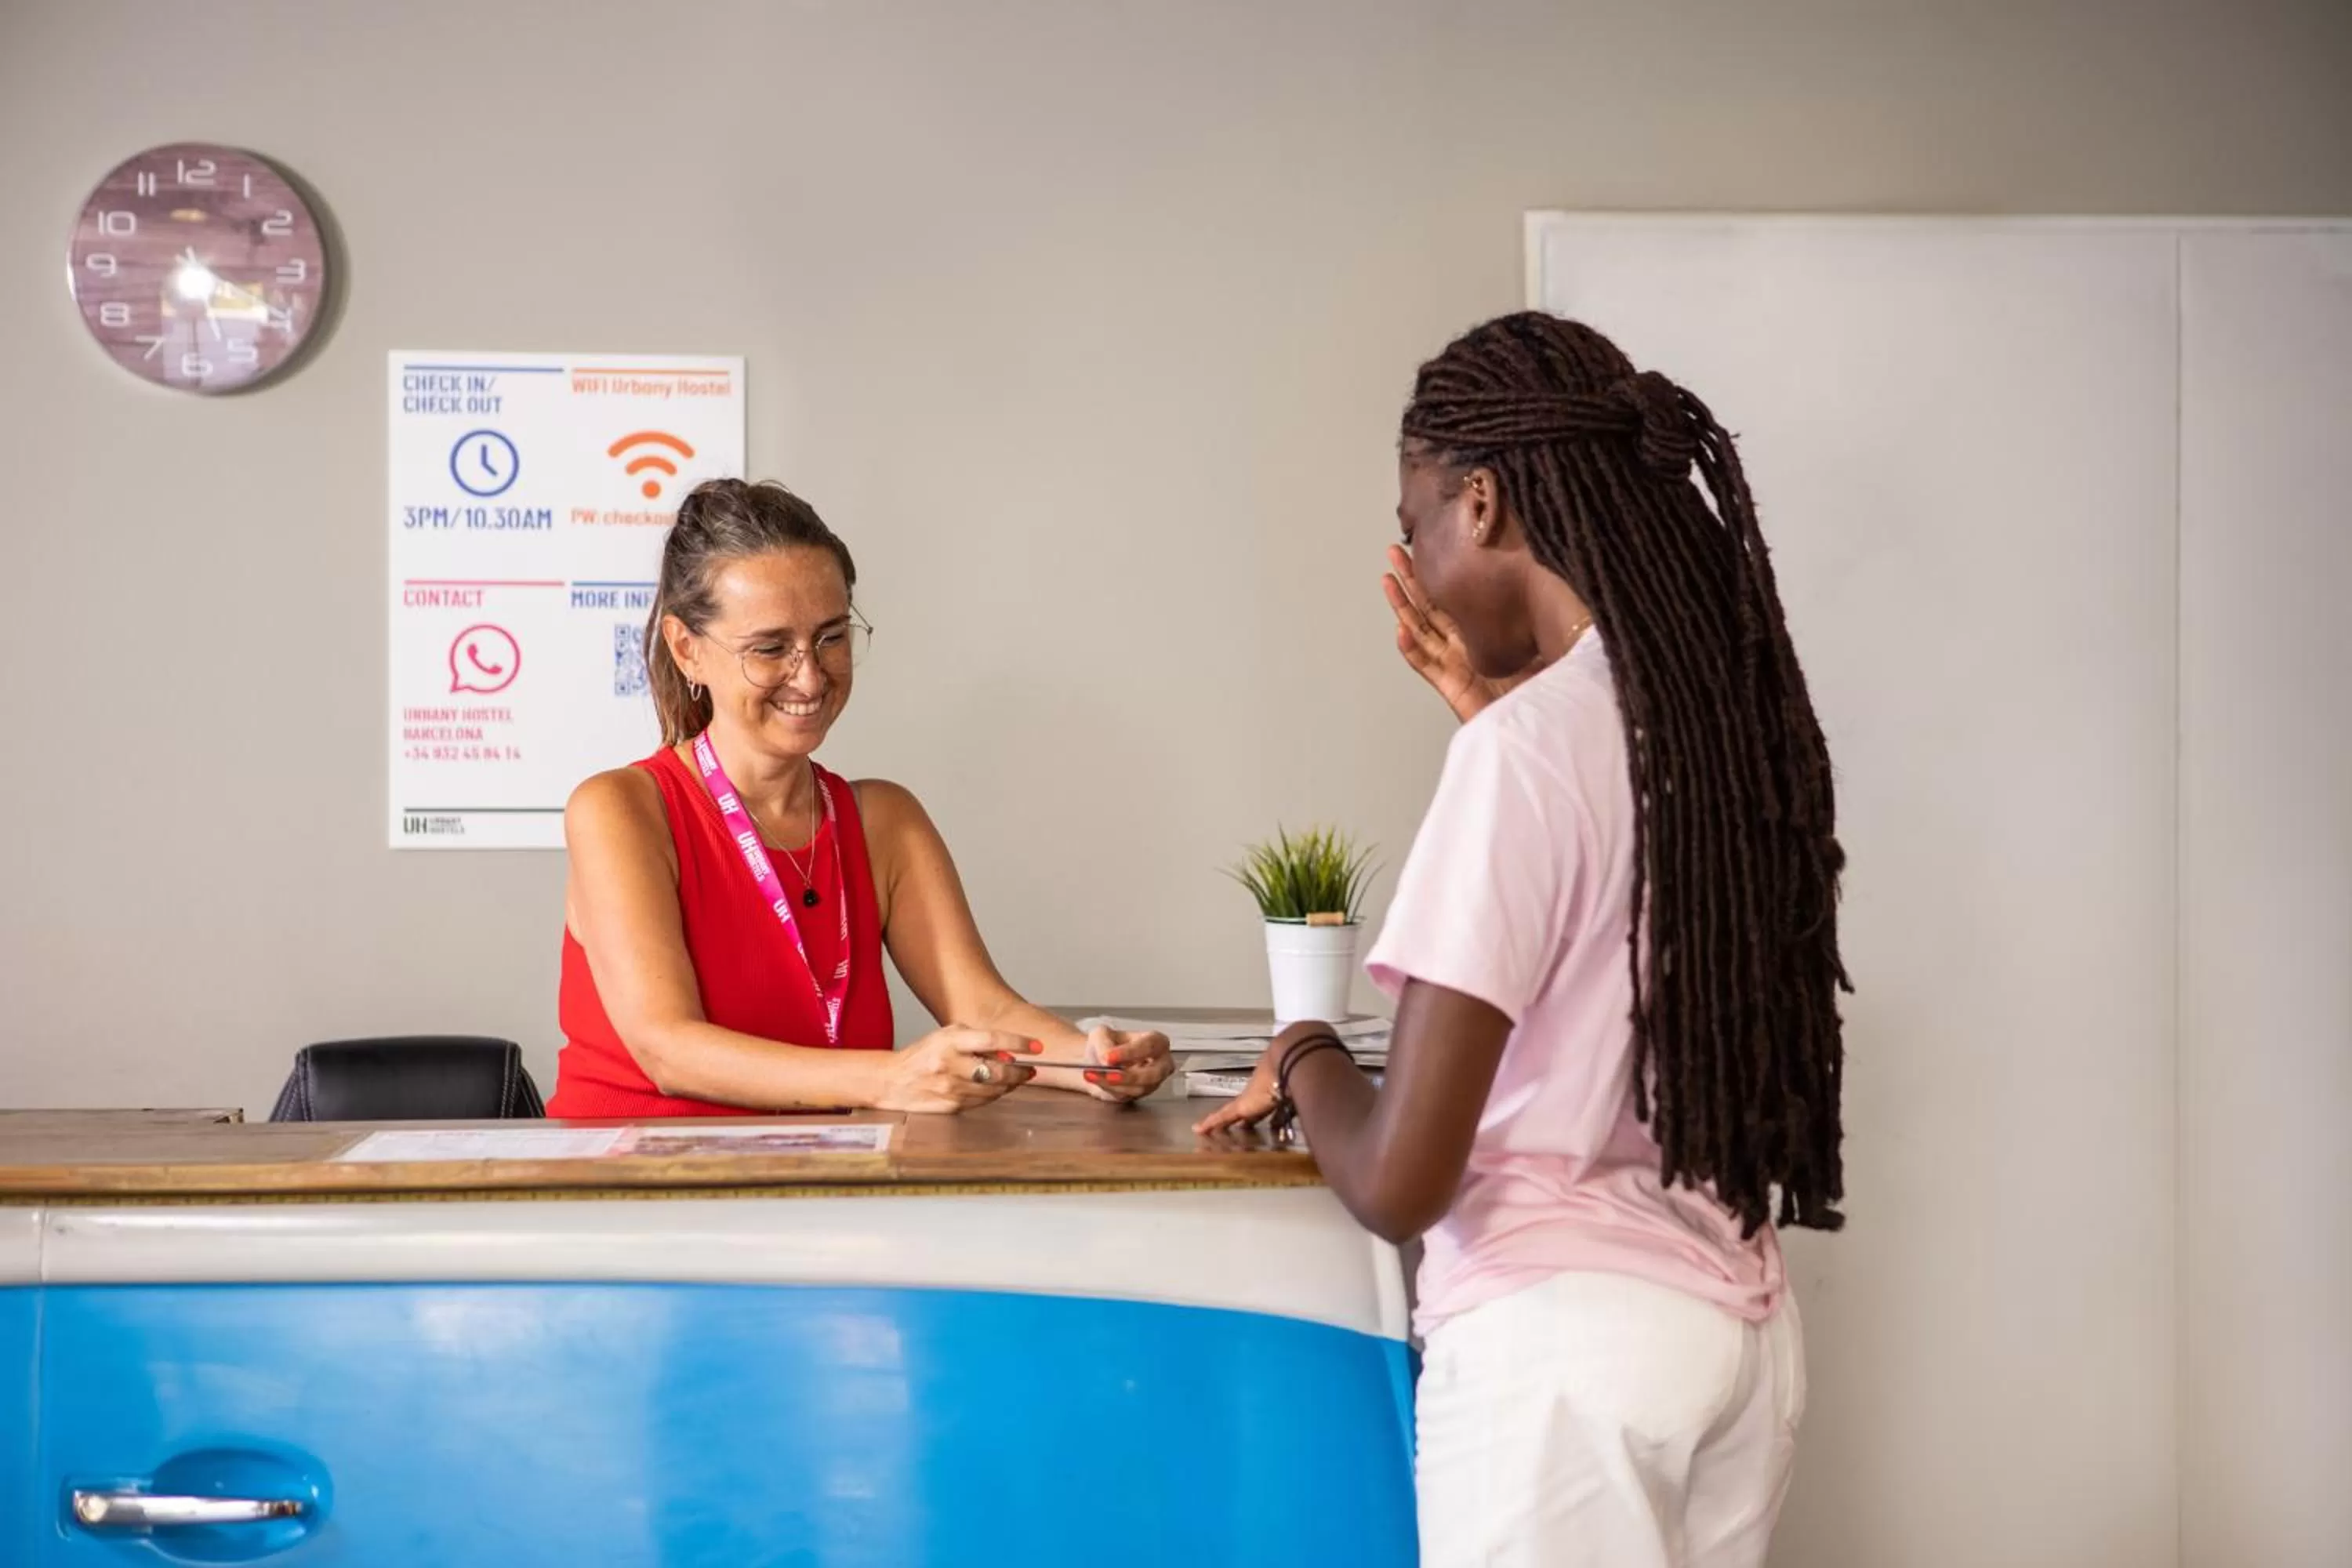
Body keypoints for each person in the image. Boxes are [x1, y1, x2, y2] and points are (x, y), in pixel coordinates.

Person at [1199, 312, 1849, 1567]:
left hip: (1565, 1360)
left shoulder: (1527, 755)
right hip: (1737, 1343)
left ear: (1484, 502)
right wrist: (1494, 722)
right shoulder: (1719, 741)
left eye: (1416, 524)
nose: (1414, 564)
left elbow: (1399, 1179)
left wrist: (1304, 1053)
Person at [551, 478, 1171, 1117]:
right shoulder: (620, 810)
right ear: (688, 650)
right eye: (770, 648)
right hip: (632, 1172)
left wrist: (1094, 1062)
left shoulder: (884, 821)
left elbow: (983, 1009)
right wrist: (892, 1078)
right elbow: (668, 1050)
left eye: (831, 637)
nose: (810, 676)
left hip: (817, 1169)